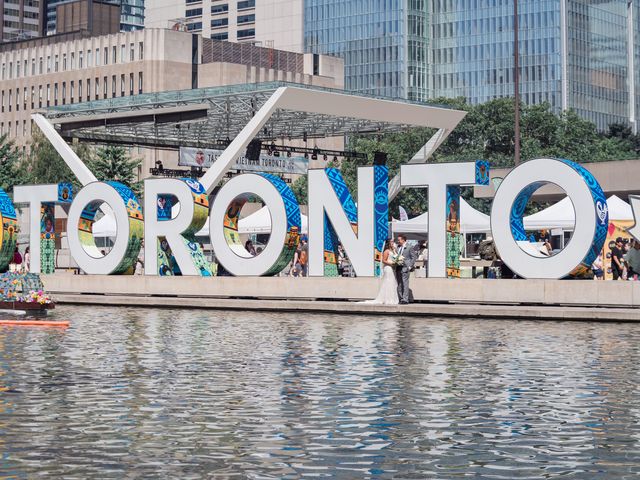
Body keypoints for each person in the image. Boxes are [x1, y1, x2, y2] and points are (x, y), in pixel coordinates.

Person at [365, 239, 399, 305]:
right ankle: (387, 299)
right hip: (388, 268)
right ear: (388, 243)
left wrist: (395, 252)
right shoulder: (386, 251)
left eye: (393, 242)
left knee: (393, 282)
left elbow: (396, 257)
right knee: (388, 282)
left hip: (393, 268)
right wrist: (391, 263)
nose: (393, 243)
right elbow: (384, 260)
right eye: (391, 242)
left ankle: (392, 298)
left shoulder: (393, 250)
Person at [395, 234, 417, 304]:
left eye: (399, 240)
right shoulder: (398, 247)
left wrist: (410, 266)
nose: (398, 241)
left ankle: (405, 299)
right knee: (399, 284)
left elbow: (414, 257)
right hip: (398, 267)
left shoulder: (409, 247)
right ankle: (401, 298)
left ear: (403, 240)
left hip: (405, 267)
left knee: (405, 283)